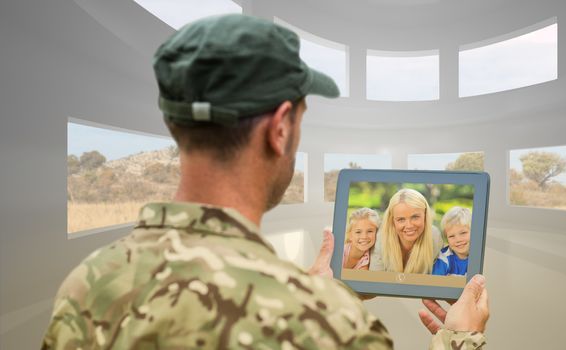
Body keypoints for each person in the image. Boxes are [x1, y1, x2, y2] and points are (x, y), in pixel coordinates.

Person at [41, 14, 489, 349]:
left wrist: (321, 287)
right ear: (279, 129)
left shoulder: (88, 284)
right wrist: (461, 339)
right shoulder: (333, 326)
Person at [369, 188, 443, 274]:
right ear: (392, 220)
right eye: (401, 219)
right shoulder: (381, 237)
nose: (409, 226)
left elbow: (436, 281)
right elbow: (375, 280)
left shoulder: (434, 237)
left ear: (425, 215)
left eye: (415, 217)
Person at [432, 207, 471, 276]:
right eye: (451, 236)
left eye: (463, 233)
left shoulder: (480, 256)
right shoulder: (443, 258)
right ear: (447, 239)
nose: (458, 240)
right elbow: (435, 284)